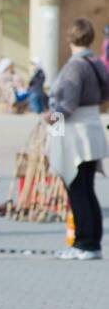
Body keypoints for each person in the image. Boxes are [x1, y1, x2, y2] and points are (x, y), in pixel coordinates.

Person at [47, 18, 109, 260]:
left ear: (69, 37)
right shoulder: (96, 62)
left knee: (77, 189)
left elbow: (67, 105)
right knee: (87, 189)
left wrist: (50, 119)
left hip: (75, 132)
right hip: (92, 126)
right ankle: (92, 243)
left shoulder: (74, 66)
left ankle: (83, 244)